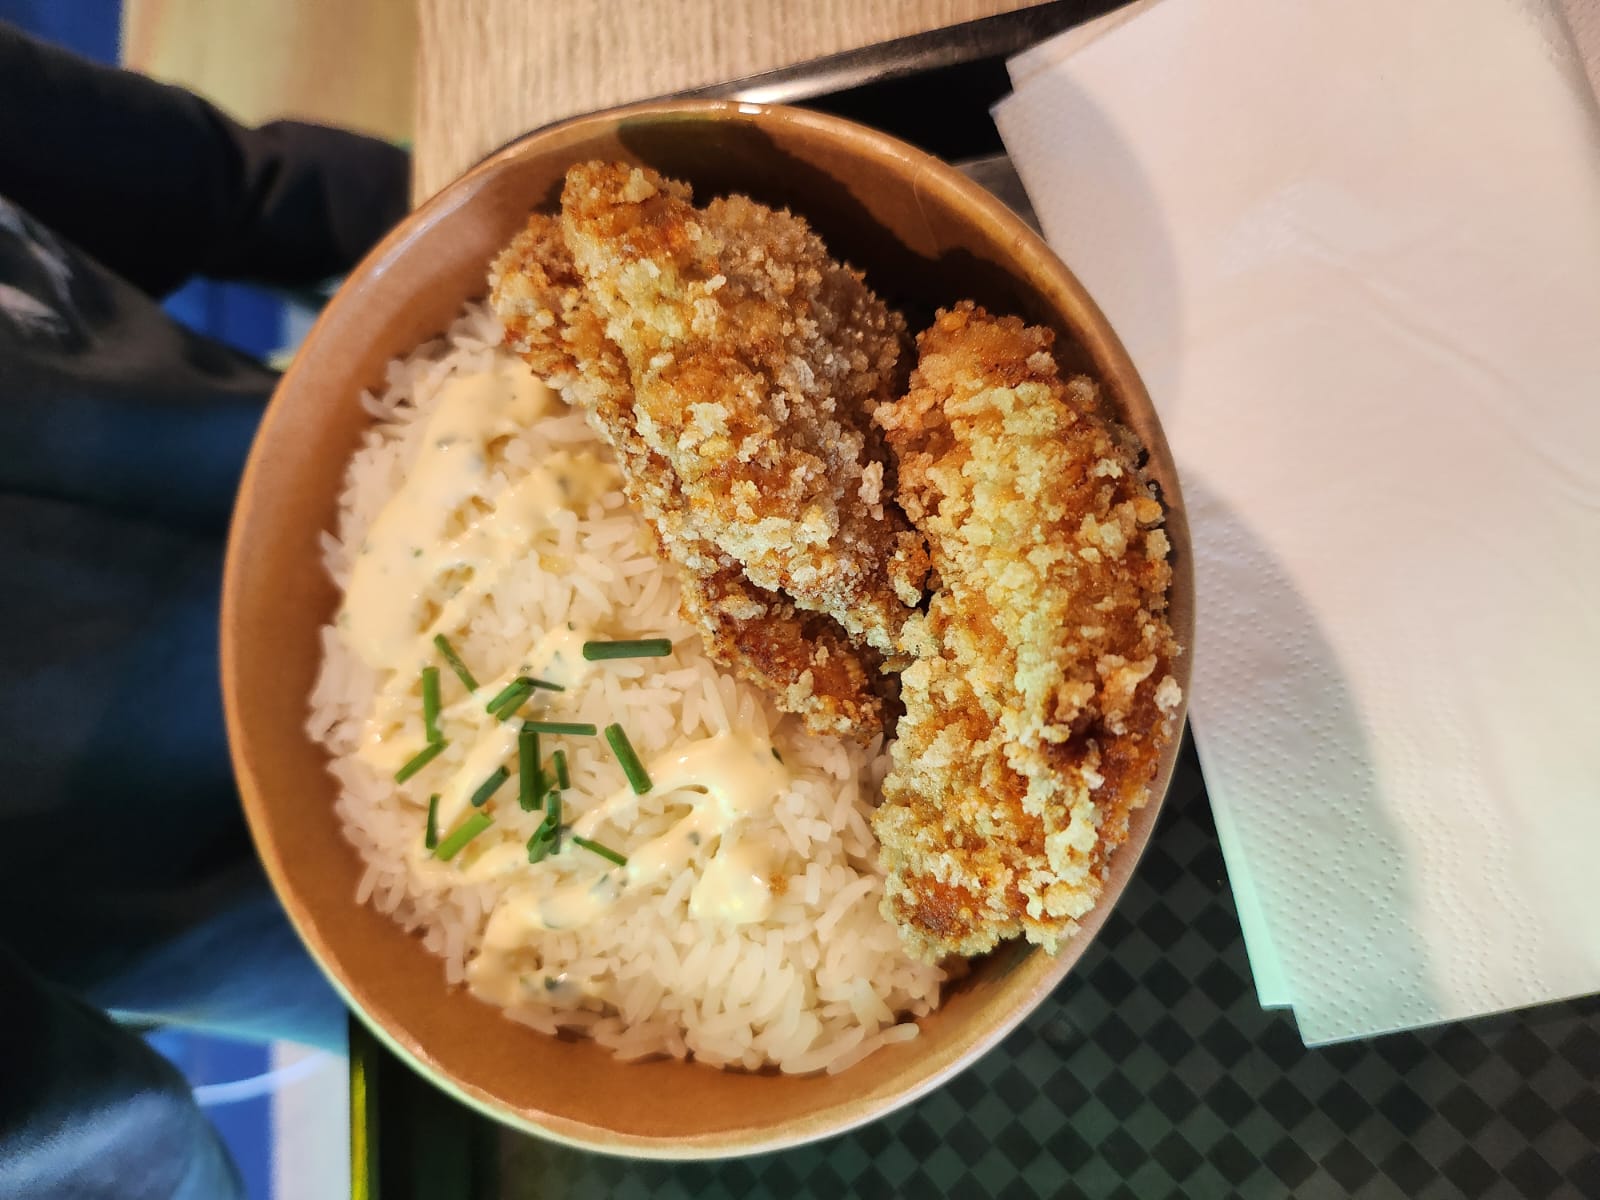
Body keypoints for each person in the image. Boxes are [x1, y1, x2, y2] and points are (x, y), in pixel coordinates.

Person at [0, 23, 410, 1198]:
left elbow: (232, 185)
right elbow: (104, 1154)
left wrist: (480, 225)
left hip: (448, 477)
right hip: (308, 907)